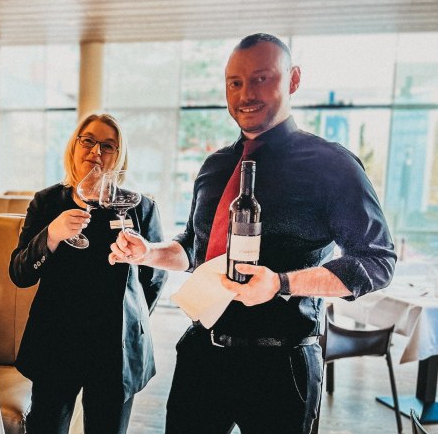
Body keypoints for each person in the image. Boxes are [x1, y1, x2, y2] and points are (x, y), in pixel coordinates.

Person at [109, 33, 396, 434]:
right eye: (235, 82)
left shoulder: (331, 165)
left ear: (293, 79)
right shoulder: (215, 166)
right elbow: (196, 245)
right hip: (202, 356)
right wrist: (149, 252)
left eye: (262, 78)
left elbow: (377, 260)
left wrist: (280, 283)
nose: (246, 93)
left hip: (281, 368)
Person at [9, 113, 168, 434]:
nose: (96, 152)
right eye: (88, 141)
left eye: (108, 145)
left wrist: (130, 319)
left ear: (119, 155)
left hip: (115, 347)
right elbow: (20, 273)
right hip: (57, 339)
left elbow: (153, 278)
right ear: (74, 147)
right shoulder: (47, 203)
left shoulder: (140, 209)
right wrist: (51, 235)